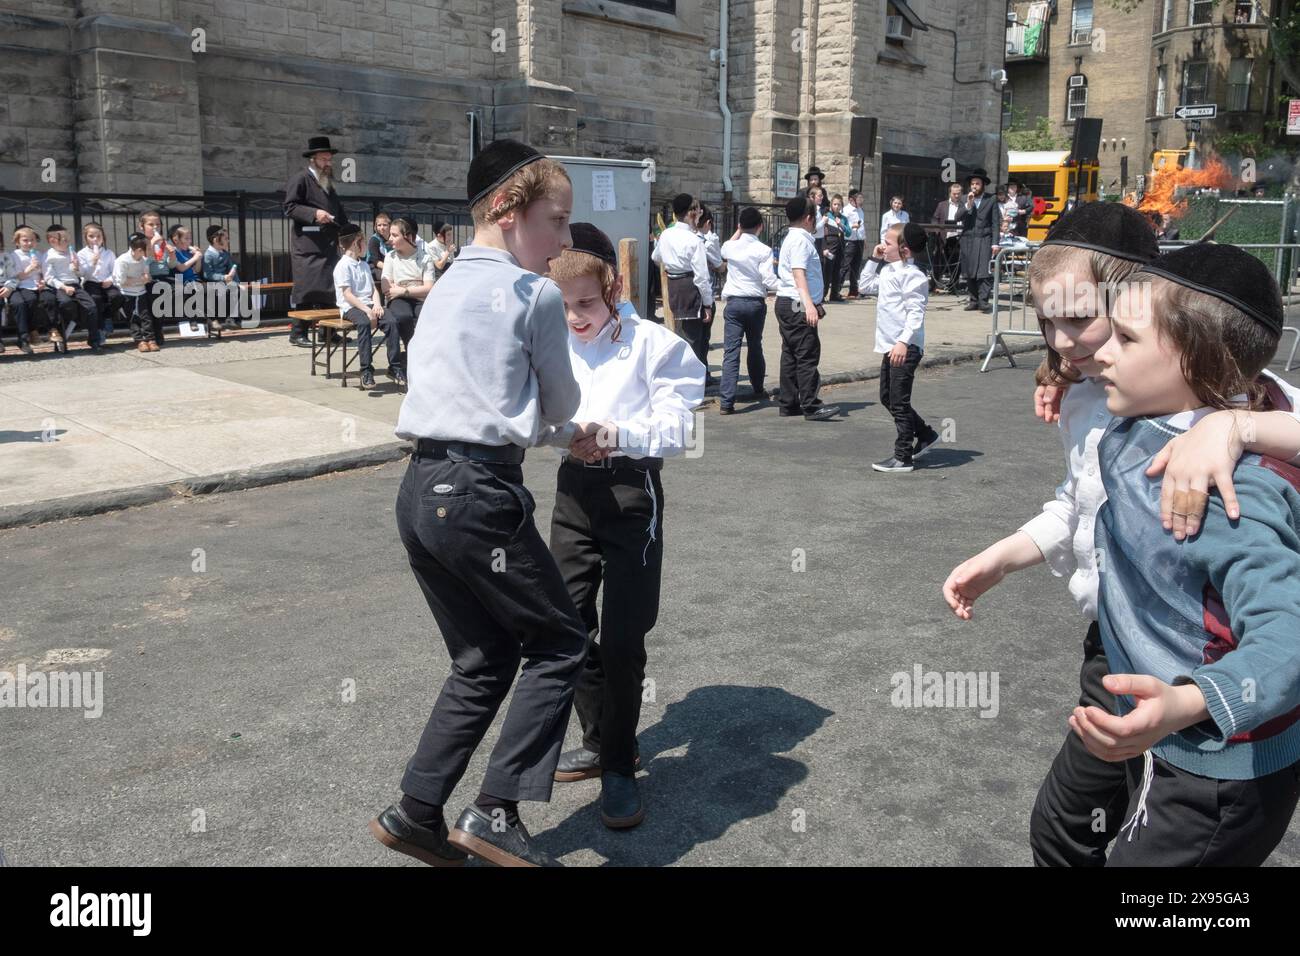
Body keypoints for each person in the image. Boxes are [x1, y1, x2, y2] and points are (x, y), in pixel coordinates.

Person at [941, 203, 1300, 865]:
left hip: (1208, 732)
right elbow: (1080, 504)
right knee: (1065, 828)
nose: (1072, 344)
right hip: (1129, 660)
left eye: (1104, 330)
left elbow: (1287, 640)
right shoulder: (1126, 406)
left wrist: (1236, 428)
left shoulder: (1227, 479)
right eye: (1048, 323)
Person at [372, 139, 587, 869]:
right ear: (506, 209)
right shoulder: (536, 295)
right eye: (556, 221)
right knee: (559, 642)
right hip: (477, 490)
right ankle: (495, 810)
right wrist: (572, 434)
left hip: (418, 489)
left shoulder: (444, 284)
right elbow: (560, 403)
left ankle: (416, 811)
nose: (564, 242)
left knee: (482, 656)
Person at [1074, 243, 1300, 865]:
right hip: (1161, 723)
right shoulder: (1152, 406)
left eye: (1124, 337)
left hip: (1220, 766)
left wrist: (1187, 702)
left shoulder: (1230, 493)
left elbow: (1287, 641)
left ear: (1203, 366)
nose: (1100, 351)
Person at [541, 223, 705, 829]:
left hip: (632, 491)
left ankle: (616, 766)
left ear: (612, 288)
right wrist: (565, 436)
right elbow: (540, 411)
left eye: (585, 302)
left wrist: (615, 436)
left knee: (624, 637)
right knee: (565, 624)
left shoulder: (655, 345)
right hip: (573, 492)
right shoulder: (553, 339)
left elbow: (680, 430)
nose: (575, 317)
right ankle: (606, 737)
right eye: (563, 306)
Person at [858, 222, 939, 473]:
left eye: (889, 243)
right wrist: (873, 259)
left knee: (899, 402)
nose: (883, 245)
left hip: (905, 347)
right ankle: (925, 434)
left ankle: (903, 456)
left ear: (904, 249)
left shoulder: (914, 277)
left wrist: (904, 342)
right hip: (889, 346)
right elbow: (863, 285)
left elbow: (916, 314)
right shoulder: (889, 271)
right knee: (887, 397)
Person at [774, 196, 839, 422]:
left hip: (787, 302)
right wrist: (809, 305)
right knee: (807, 353)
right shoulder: (801, 240)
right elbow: (798, 272)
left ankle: (788, 402)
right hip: (797, 303)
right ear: (809, 218)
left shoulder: (792, 237)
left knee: (790, 354)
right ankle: (811, 404)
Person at [284, 136, 350, 347]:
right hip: (308, 246)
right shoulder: (301, 179)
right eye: (324, 159)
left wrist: (349, 232)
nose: (328, 163)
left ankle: (328, 332)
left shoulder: (327, 182)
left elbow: (338, 212)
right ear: (313, 159)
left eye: (330, 159)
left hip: (328, 245)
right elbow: (290, 207)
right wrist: (314, 213)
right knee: (307, 290)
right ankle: (297, 333)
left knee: (330, 289)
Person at [717, 206, 778, 413]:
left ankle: (726, 401)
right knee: (755, 345)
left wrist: (739, 230)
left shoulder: (730, 247)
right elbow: (768, 279)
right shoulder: (764, 250)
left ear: (740, 226)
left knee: (731, 351)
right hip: (755, 303)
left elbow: (725, 249)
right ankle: (758, 387)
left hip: (734, 303)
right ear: (760, 226)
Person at [651, 193, 714, 380]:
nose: (699, 213)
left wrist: (672, 261)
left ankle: (690, 377)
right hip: (690, 287)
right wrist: (708, 304)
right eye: (696, 209)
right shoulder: (694, 240)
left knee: (682, 333)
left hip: (674, 286)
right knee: (694, 339)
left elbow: (656, 258)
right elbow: (702, 277)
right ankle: (692, 380)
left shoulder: (666, 234)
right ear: (690, 213)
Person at [333, 223, 395, 390]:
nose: (365, 245)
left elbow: (373, 289)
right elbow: (347, 295)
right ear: (355, 243)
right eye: (363, 241)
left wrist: (377, 304)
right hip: (351, 307)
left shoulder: (364, 265)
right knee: (364, 323)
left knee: (391, 321)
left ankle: (395, 367)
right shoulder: (343, 266)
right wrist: (367, 310)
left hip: (368, 304)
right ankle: (366, 371)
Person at [379, 217, 434, 386]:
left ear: (408, 237)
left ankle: (412, 357)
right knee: (403, 316)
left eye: (395, 235)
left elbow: (429, 288)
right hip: (398, 300)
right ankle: (411, 357)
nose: (390, 239)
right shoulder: (391, 257)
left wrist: (403, 289)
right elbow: (386, 286)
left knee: (430, 319)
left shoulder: (424, 258)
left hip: (414, 298)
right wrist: (412, 287)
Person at [41, 223, 102, 354]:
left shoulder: (71, 252)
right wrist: (63, 287)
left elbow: (81, 273)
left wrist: (77, 268)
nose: (67, 242)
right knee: (65, 303)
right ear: (52, 241)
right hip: (60, 286)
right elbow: (49, 278)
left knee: (91, 306)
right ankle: (63, 336)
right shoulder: (48, 256)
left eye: (68, 239)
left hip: (74, 285)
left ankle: (94, 339)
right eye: (64, 240)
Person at [958, 168, 998, 313]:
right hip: (968, 239)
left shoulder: (991, 199)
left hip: (984, 238)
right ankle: (973, 300)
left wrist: (995, 242)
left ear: (983, 185)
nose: (974, 186)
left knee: (983, 272)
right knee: (969, 271)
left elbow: (995, 222)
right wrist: (968, 204)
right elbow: (958, 217)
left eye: (977, 184)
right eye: (972, 184)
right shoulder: (964, 198)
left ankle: (983, 301)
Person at [78, 222, 121, 348]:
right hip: (91, 281)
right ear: (86, 238)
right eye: (91, 236)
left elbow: (114, 271)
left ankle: (108, 317)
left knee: (117, 297)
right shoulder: (82, 254)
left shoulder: (109, 253)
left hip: (106, 281)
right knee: (95, 299)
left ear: (103, 237)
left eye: (98, 236)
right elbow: (83, 274)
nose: (95, 239)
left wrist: (110, 280)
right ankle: (99, 331)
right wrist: (93, 262)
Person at [113, 233, 155, 353]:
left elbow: (146, 273)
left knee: (145, 316)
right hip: (127, 293)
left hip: (141, 292)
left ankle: (150, 339)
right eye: (148, 249)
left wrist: (147, 277)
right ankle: (139, 340)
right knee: (132, 317)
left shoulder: (144, 260)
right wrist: (139, 280)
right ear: (139, 250)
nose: (150, 251)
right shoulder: (122, 261)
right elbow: (121, 281)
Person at [202, 225, 242, 331]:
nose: (228, 241)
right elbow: (208, 274)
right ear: (216, 239)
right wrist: (224, 277)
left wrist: (237, 282)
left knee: (235, 289)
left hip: (225, 281)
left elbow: (232, 270)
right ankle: (213, 319)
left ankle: (231, 317)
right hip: (212, 282)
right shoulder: (208, 255)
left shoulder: (226, 254)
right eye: (225, 238)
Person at [932, 182, 965, 285]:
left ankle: (953, 286)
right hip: (943, 237)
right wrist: (937, 230)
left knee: (955, 263)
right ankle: (934, 284)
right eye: (954, 193)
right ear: (950, 193)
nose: (956, 196)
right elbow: (935, 219)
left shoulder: (964, 206)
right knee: (938, 261)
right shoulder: (942, 205)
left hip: (957, 238)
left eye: (958, 193)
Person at [841, 189, 866, 299]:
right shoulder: (846, 211)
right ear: (851, 199)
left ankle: (853, 291)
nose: (861, 201)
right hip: (849, 240)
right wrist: (852, 227)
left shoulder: (861, 210)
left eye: (862, 198)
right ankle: (837, 289)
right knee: (845, 265)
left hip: (859, 240)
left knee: (856, 266)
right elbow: (842, 226)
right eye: (859, 198)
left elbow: (862, 227)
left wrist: (864, 240)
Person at [824, 194, 849, 302]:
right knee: (827, 271)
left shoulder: (843, 218)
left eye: (839, 204)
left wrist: (841, 225)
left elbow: (848, 232)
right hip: (830, 244)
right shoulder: (827, 216)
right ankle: (822, 295)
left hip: (841, 244)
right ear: (831, 205)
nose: (837, 206)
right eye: (835, 204)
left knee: (838, 270)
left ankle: (834, 294)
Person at [366, 212, 392, 285]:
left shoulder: (393, 238)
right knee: (388, 277)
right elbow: (375, 261)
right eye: (379, 225)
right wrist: (390, 269)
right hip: (375, 267)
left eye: (384, 225)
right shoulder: (374, 240)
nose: (382, 228)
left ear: (390, 226)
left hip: (388, 266)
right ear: (376, 227)